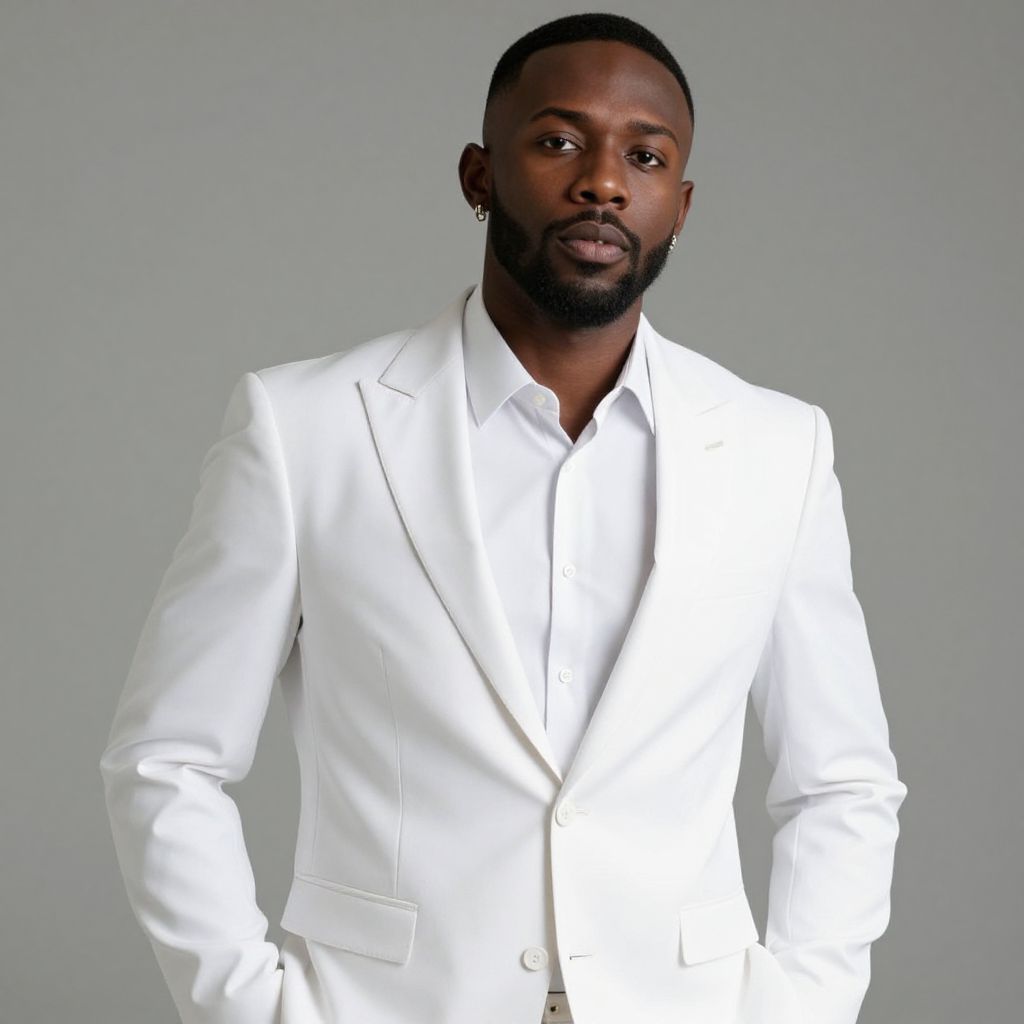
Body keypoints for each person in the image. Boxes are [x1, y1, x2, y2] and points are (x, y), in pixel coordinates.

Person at [99, 13, 907, 1024]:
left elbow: (841, 783)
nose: (603, 182)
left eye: (645, 156)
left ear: (681, 205)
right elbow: (166, 759)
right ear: (478, 175)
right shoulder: (306, 429)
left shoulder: (776, 449)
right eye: (559, 140)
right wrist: (254, 1011)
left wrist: (802, 1009)